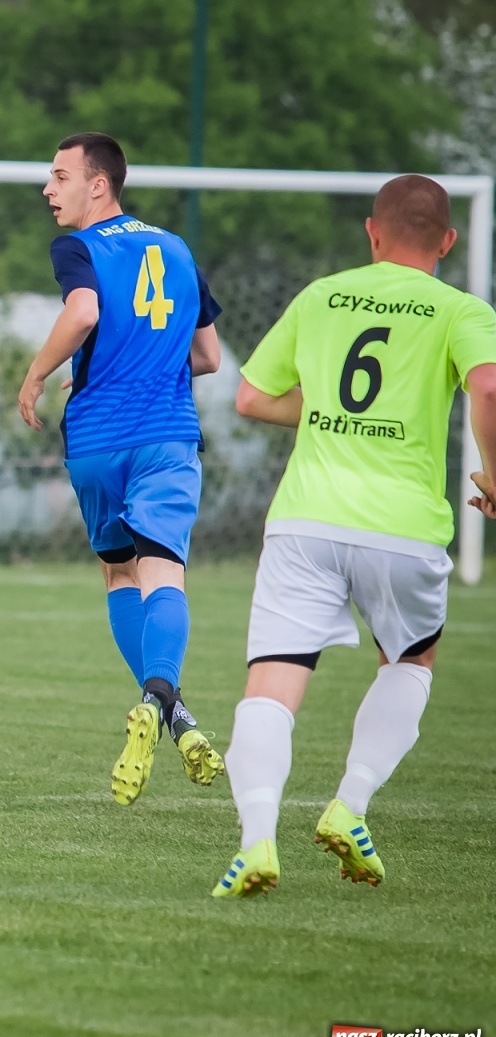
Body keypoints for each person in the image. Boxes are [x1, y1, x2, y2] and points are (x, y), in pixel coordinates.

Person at [212, 174, 496, 897]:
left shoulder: (323, 294)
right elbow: (489, 388)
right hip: (402, 526)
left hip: (306, 518)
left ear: (372, 232)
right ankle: (351, 802)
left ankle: (255, 842)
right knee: (411, 658)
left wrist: (333, 414)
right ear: (448, 241)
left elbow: (251, 396)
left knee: (272, 683)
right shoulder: (461, 309)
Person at [17, 132, 226, 805]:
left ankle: (177, 716)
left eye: (59, 176)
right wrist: (151, 364)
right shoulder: (178, 248)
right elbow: (210, 357)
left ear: (98, 184)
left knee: (118, 572)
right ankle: (161, 696)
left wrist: (36, 374)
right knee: (165, 572)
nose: (49, 189)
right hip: (165, 436)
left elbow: (83, 311)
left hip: (97, 439)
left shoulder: (79, 247)